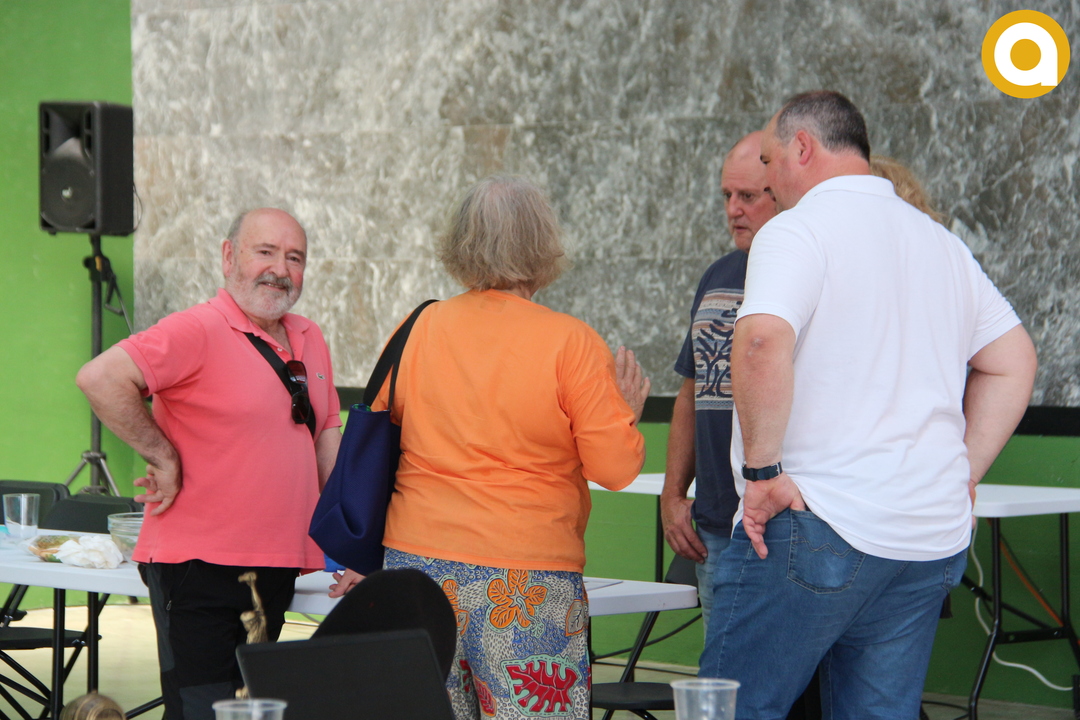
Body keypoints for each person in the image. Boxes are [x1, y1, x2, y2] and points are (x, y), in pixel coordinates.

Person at [698, 91, 1037, 719]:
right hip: (926, 538)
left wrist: (763, 471)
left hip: (816, 518)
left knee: (736, 709)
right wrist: (963, 472)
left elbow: (762, 341)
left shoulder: (796, 230)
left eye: (769, 161)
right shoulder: (940, 243)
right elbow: (1015, 359)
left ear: (803, 147)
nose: (767, 181)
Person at [330, 175, 649, 720]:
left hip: (415, 570)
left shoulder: (417, 328)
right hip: (526, 580)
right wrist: (626, 413)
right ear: (543, 244)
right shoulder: (571, 343)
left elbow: (378, 441)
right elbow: (615, 469)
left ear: (459, 243)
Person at [76, 208, 342, 720]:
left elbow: (325, 439)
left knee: (250, 711)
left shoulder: (309, 336)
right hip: (198, 569)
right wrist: (162, 456)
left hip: (276, 564)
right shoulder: (197, 328)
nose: (280, 270)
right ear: (228, 256)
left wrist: (349, 547)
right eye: (265, 252)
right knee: (202, 712)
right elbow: (100, 378)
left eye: (295, 258)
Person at [661, 131, 777, 632]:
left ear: (782, 190)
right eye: (726, 195)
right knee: (722, 670)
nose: (733, 210)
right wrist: (672, 496)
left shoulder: (805, 272)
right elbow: (692, 391)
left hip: (781, 526)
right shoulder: (718, 275)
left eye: (747, 196)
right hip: (715, 526)